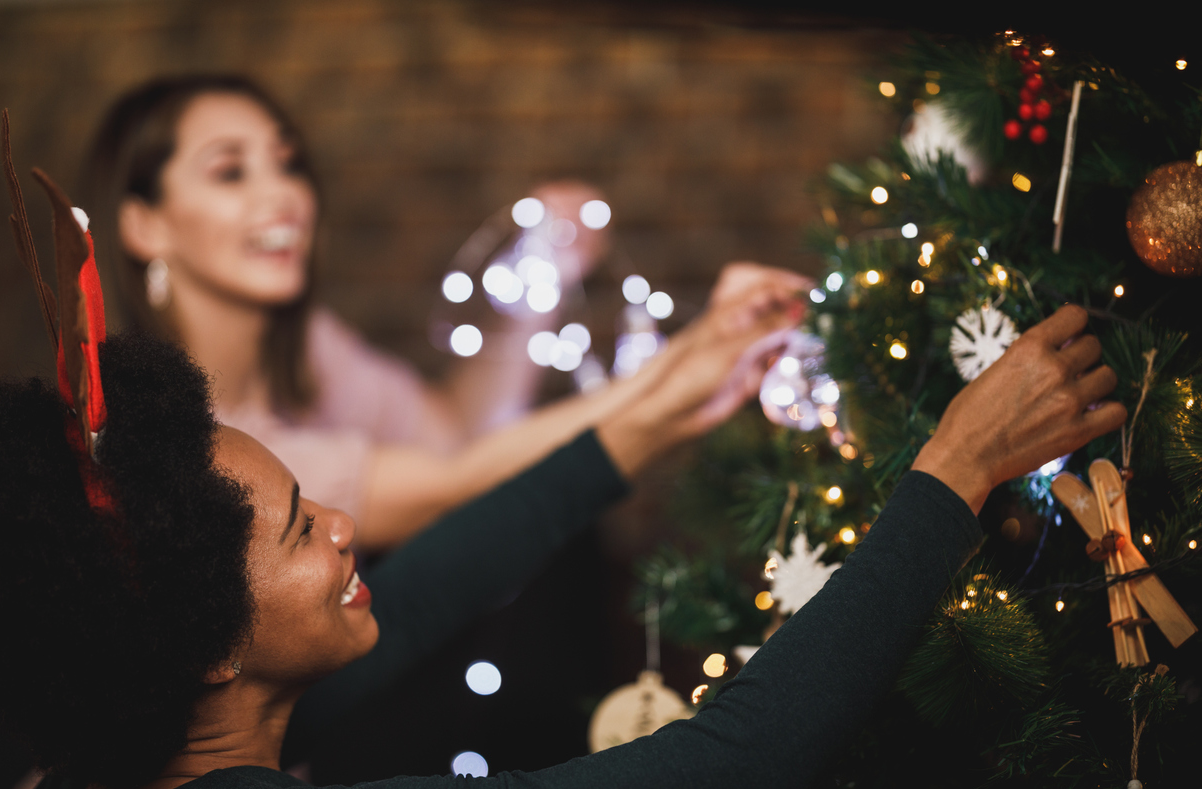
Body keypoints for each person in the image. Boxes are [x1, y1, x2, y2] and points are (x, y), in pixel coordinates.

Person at [0, 296, 1124, 789]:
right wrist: (956, 467)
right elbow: (738, 762)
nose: (349, 524)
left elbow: (433, 587)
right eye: (304, 527)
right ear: (210, 643)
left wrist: (653, 411)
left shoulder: (114, 778)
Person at [83, 74, 808, 549]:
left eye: (288, 162)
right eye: (230, 170)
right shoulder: (169, 441)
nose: (285, 197)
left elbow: (453, 437)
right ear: (143, 224)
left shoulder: (309, 349)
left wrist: (542, 277)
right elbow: (451, 486)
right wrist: (691, 358)